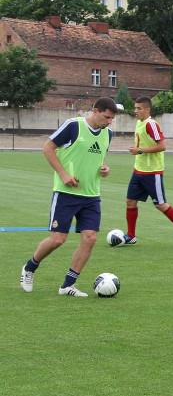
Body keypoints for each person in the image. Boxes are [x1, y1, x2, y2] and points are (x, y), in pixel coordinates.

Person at [19, 97, 118, 297]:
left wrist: (104, 169)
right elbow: (47, 148)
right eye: (107, 117)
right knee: (57, 240)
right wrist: (63, 174)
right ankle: (29, 268)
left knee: (90, 238)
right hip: (66, 194)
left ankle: (67, 285)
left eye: (111, 119)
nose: (109, 122)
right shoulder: (74, 126)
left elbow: (97, 159)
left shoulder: (108, 133)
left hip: (91, 195)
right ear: (95, 111)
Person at [124, 96, 173, 248]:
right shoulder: (139, 123)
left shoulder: (151, 124)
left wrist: (140, 150)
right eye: (135, 108)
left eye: (139, 108)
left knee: (161, 205)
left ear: (147, 110)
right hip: (139, 170)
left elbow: (162, 146)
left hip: (152, 172)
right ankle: (131, 235)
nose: (135, 111)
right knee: (130, 202)